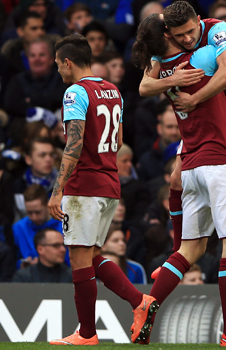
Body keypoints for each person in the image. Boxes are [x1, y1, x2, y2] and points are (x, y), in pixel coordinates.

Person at [130, 14, 226, 347]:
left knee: (188, 249)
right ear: (169, 34)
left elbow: (143, 86)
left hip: (190, 164)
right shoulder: (202, 58)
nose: (188, 37)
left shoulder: (161, 69)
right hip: (217, 165)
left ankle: (146, 304)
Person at [48, 35, 152, 346]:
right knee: (92, 255)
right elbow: (118, 141)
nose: (58, 72)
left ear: (68, 62)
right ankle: (140, 302)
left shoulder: (75, 92)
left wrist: (57, 190)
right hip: (109, 184)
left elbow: (74, 143)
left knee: (80, 260)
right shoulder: (112, 90)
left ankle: (88, 333)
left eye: (58, 65)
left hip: (84, 187)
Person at [139, 1, 226, 247]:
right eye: (180, 35)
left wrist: (195, 98)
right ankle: (177, 247)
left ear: (198, 20)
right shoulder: (167, 48)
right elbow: (144, 86)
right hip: (211, 109)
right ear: (168, 33)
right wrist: (172, 79)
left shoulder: (215, 31)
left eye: (190, 32)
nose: (187, 39)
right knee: (175, 178)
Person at [12, 184, 64, 267]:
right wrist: (21, 265)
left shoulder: (63, 225)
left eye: (38, 212)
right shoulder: (18, 228)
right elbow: (11, 260)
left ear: (48, 206)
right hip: (28, 277)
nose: (34, 217)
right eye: (29, 213)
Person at [137, 106, 181, 181]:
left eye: (178, 127)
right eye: (169, 127)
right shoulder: (147, 160)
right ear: (159, 128)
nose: (174, 132)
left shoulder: (192, 155)